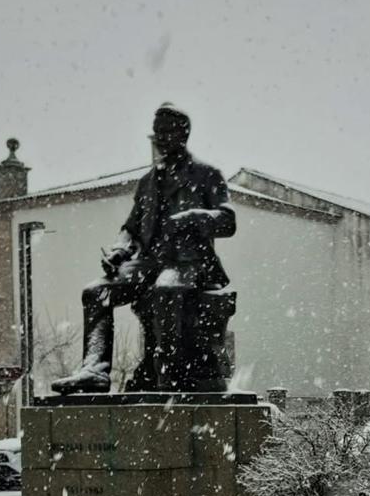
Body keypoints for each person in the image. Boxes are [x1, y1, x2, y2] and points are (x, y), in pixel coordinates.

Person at [51, 104, 237, 394]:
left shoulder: (206, 174)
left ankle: (170, 371)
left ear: (183, 133)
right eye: (157, 132)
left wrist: (193, 217)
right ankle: (95, 370)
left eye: (167, 131)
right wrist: (119, 251)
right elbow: (131, 228)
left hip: (190, 263)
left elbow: (228, 221)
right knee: (95, 292)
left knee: (166, 289)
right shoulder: (147, 182)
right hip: (151, 262)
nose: (161, 138)